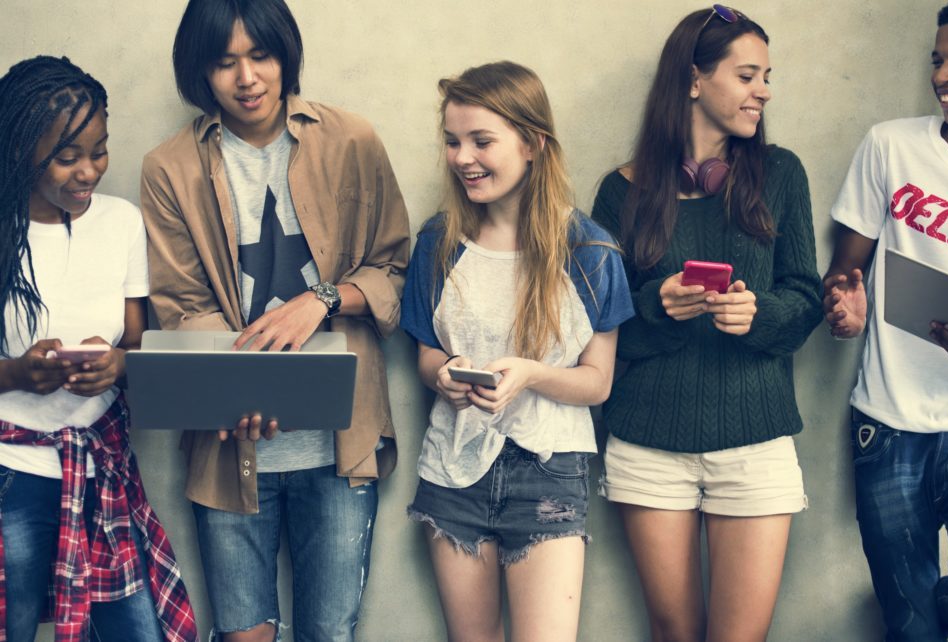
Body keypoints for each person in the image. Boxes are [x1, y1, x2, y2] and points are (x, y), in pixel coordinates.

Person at [139, 0, 410, 639]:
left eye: (260, 55)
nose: (247, 77)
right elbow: (180, 305)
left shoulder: (352, 139)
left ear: (285, 53)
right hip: (228, 446)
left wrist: (321, 299)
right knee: (242, 634)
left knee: (330, 633)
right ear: (200, 72)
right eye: (224, 61)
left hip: (339, 444)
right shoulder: (169, 168)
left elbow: (393, 268)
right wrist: (245, 389)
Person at [590, 6, 821, 641]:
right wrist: (657, 306)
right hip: (648, 446)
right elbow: (597, 332)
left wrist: (758, 314)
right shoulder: (621, 191)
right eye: (748, 75)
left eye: (766, 76)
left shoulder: (781, 175)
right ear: (694, 79)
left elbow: (806, 300)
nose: (764, 91)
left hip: (756, 443)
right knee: (674, 633)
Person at [400, 61, 634, 642]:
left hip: (551, 473)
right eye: (453, 142)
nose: (462, 158)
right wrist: (445, 376)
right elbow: (426, 357)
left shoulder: (591, 251)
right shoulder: (437, 242)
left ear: (533, 143)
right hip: (454, 473)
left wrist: (530, 374)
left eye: (482, 141)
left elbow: (598, 382)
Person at [824, 0, 948, 638]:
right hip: (887, 420)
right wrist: (844, 305)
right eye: (937, 59)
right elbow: (845, 269)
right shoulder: (890, 145)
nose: (942, 74)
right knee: (910, 628)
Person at [0, 56, 197, 642]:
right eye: (67, 157)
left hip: (102, 469)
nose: (89, 171)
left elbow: (136, 346)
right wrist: (16, 373)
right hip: (16, 472)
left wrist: (115, 366)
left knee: (134, 630)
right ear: (18, 150)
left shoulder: (121, 222)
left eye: (99, 150)